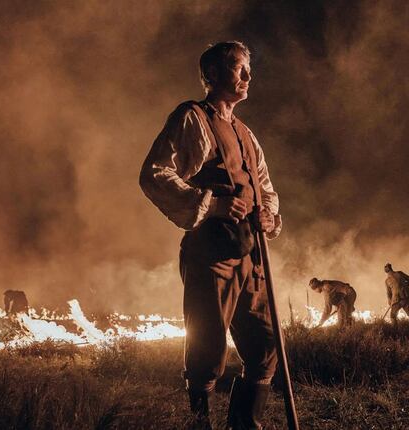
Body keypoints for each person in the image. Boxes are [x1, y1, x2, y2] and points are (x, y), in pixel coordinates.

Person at [139, 41, 282, 429]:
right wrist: (213, 205)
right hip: (211, 254)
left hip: (251, 256)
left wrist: (268, 214)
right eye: (239, 68)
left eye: (249, 68)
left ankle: (243, 424)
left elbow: (264, 186)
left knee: (267, 346)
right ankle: (199, 424)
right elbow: (154, 174)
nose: (248, 76)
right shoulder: (192, 118)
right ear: (213, 75)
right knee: (207, 350)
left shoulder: (246, 134)